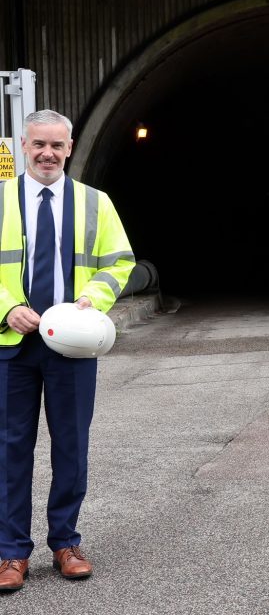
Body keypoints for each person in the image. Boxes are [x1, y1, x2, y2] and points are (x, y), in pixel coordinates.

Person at [0, 110, 135, 592]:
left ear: (71, 148)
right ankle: (10, 553)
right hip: (12, 344)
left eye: (57, 146)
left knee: (71, 446)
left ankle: (65, 542)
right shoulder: (1, 200)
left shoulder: (95, 203)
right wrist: (9, 305)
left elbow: (120, 261)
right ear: (23, 144)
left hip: (71, 345)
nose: (47, 153)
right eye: (38, 144)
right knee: (9, 449)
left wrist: (90, 302)